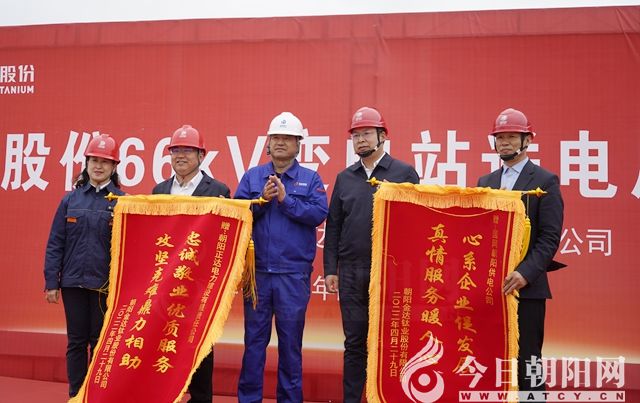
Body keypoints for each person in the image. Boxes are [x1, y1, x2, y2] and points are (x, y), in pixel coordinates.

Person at [323, 106, 419, 402]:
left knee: (390, 342)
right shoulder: (345, 177)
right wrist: (331, 270)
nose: (360, 139)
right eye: (356, 135)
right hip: (351, 272)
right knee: (354, 342)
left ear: (383, 136)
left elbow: (416, 224)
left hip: (391, 272)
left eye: (366, 133)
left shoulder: (403, 173)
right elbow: (334, 226)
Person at [235, 112, 328, 402]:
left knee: (290, 345)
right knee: (254, 344)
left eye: (287, 138)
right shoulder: (253, 177)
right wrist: (261, 201)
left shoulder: (310, 179)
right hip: (258, 275)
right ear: (268, 142)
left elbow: (318, 213)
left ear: (298, 144)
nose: (280, 143)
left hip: (292, 275)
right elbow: (237, 214)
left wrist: (286, 200)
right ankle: (249, 399)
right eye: (276, 137)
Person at [476, 108, 564, 396]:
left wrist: (524, 274)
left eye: (512, 137)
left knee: (528, 360)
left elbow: (549, 238)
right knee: (491, 357)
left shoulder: (545, 181)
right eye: (500, 137)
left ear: (527, 140)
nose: (505, 143)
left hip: (527, 289)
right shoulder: (485, 183)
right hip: (491, 289)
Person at [152, 124, 230, 403]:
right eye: (175, 150)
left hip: (200, 283)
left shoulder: (218, 190)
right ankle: (166, 394)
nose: (180, 156)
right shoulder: (159, 190)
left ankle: (200, 398)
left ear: (201, 155)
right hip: (166, 282)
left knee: (199, 341)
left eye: (187, 150)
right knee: (164, 339)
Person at [44, 134, 125, 397]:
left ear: (114, 167)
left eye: (105, 162)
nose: (98, 166)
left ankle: (97, 394)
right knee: (76, 341)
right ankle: (76, 394)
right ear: (86, 163)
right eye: (94, 161)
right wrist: (51, 282)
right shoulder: (70, 200)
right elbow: (56, 243)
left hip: (104, 286)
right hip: (73, 284)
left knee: (100, 342)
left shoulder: (123, 202)